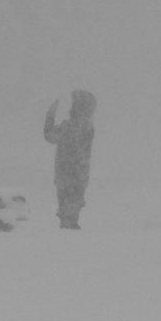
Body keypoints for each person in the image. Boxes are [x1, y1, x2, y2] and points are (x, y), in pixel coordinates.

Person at [43, 89, 96, 229]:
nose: (71, 108)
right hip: (77, 176)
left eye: (74, 104)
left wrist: (50, 114)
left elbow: (49, 136)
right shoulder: (86, 126)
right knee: (70, 215)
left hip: (67, 176)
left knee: (67, 217)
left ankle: (68, 240)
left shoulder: (72, 126)